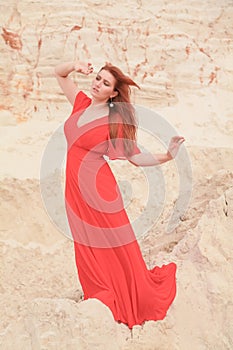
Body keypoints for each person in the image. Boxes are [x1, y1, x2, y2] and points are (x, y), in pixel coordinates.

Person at [54, 60, 185, 329]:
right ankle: (100, 293)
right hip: (75, 190)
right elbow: (59, 72)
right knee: (86, 244)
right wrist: (76, 65)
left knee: (116, 244)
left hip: (99, 189)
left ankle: (129, 296)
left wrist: (167, 156)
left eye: (105, 83)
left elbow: (135, 157)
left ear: (114, 93)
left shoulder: (113, 122)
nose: (97, 84)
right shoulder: (80, 103)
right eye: (98, 78)